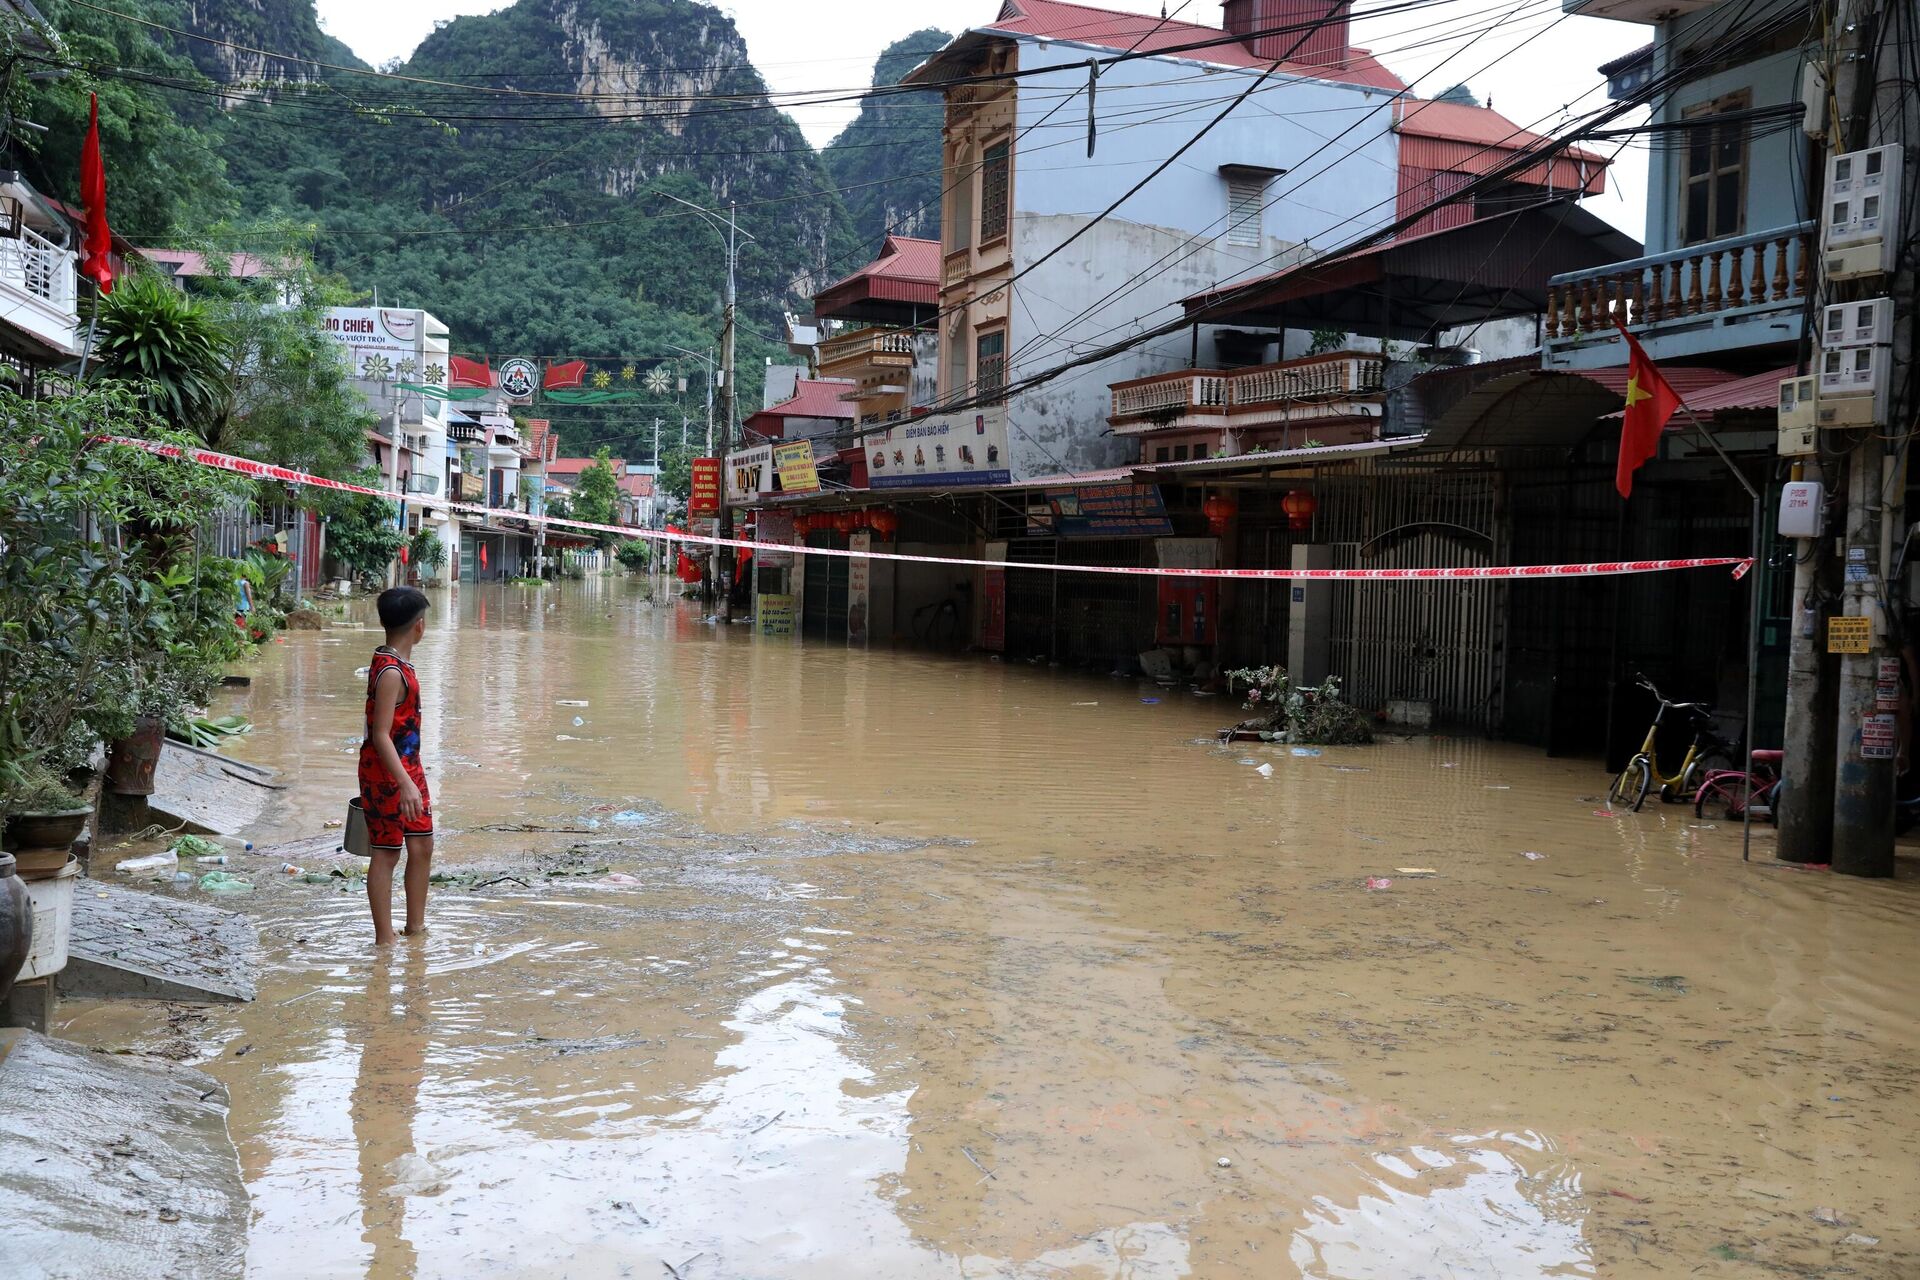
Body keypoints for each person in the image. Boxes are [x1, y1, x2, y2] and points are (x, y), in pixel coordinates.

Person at [359, 587, 434, 945]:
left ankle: (416, 928)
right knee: (386, 851)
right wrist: (404, 783)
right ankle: (385, 940)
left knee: (421, 845)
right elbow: (380, 735)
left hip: (408, 768)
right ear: (418, 627)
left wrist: (410, 779)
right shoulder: (390, 672)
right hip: (388, 772)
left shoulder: (396, 663)